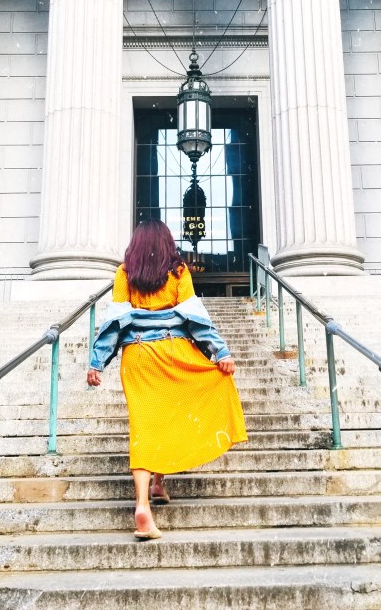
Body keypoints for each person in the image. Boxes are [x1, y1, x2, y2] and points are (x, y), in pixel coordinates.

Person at [86, 219, 247, 540]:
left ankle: (147, 499)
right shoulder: (178, 272)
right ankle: (155, 487)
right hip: (174, 350)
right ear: (165, 242)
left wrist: (97, 362)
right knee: (171, 417)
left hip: (139, 357)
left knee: (147, 424)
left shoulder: (124, 273)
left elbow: (115, 321)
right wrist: (220, 353)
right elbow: (195, 318)